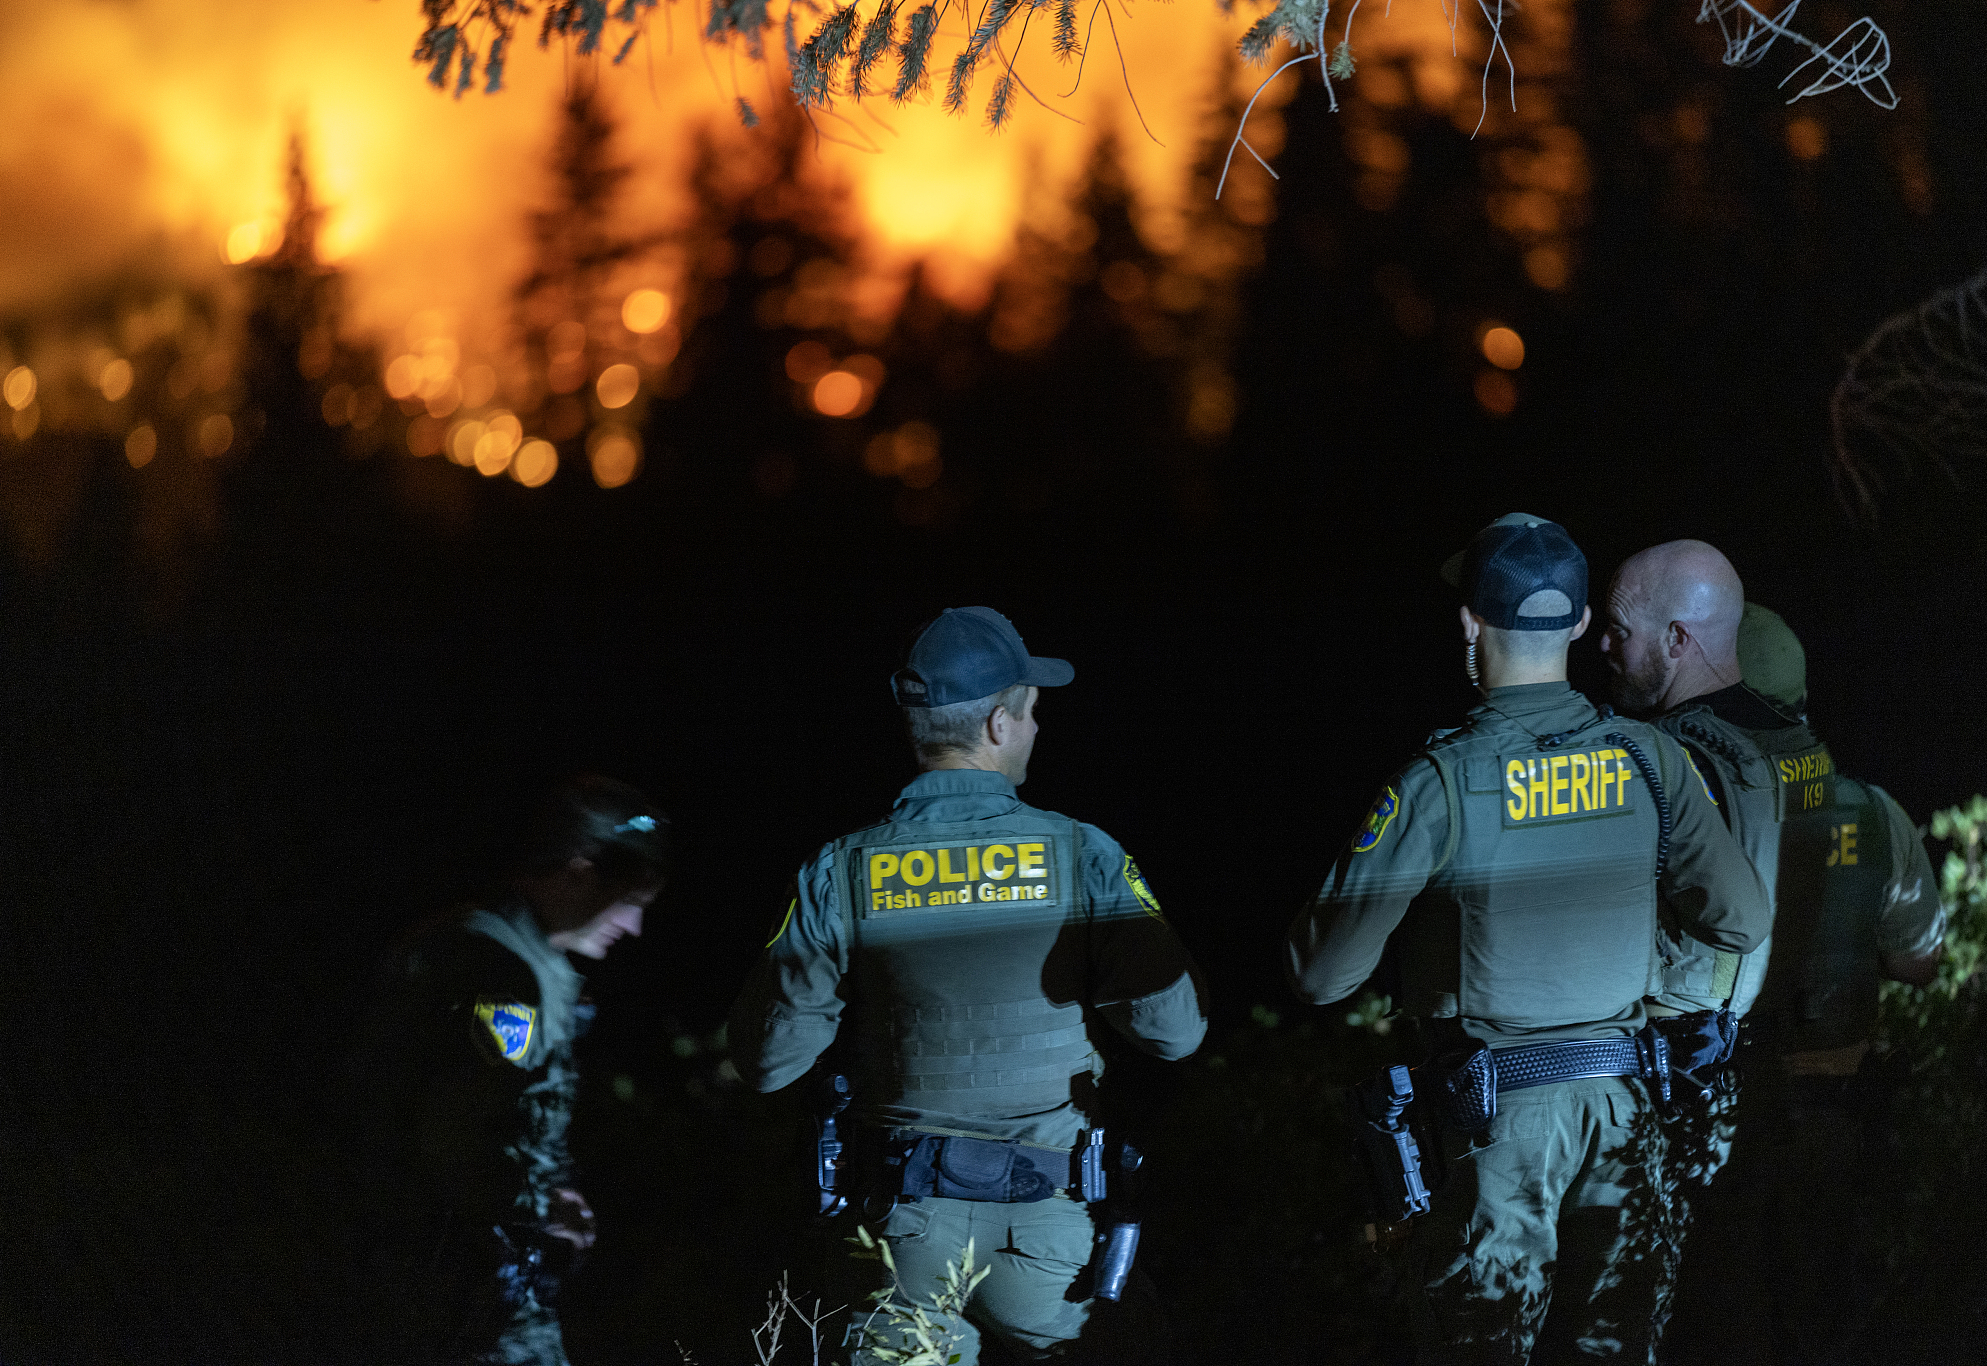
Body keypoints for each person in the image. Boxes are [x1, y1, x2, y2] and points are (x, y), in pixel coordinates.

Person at [1285, 514, 1771, 1365]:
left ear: (1470, 622)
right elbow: (1741, 919)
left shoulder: (1439, 781)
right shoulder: (1652, 761)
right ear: (1582, 625)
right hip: (1626, 1114)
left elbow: (1322, 975)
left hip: (1494, 1130)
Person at [727, 606, 1207, 1365]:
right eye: (1032, 713)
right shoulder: (1082, 853)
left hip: (901, 1237)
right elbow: (1177, 1032)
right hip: (1054, 1246)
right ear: (997, 725)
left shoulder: (843, 868)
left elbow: (768, 1060)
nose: (1036, 731)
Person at [1600, 557, 1943, 1360]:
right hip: (1832, 1127)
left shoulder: (1678, 789)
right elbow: (1919, 962)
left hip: (1705, 1122)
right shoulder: (1875, 813)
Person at [367, 774, 671, 1366]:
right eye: (630, 903)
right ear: (580, 875)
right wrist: (531, 1212)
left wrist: (552, 1193)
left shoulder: (534, 963)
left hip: (478, 1267)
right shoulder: (494, 969)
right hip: (451, 1276)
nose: (633, 928)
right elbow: (454, 1135)